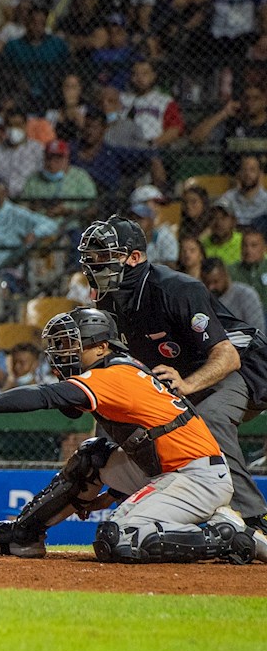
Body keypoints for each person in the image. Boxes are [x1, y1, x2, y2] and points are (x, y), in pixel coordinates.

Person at [0, 308, 267, 564]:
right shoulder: (116, 369)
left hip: (197, 476)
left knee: (117, 539)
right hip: (166, 468)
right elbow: (144, 440)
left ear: (101, 347)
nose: (65, 353)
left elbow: (46, 396)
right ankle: (22, 536)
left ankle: (226, 535)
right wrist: (111, 492)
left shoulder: (114, 374)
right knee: (93, 456)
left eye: (74, 345)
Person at [79, 215, 267, 532]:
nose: (94, 266)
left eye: (104, 258)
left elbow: (226, 355)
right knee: (146, 422)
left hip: (242, 365)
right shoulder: (109, 302)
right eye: (91, 259)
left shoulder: (176, 288)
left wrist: (186, 383)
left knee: (208, 419)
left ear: (134, 257)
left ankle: (255, 518)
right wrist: (115, 490)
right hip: (184, 375)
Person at [20, 139, 98, 220]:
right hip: (38, 225)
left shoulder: (80, 177)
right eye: (49, 158)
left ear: (67, 159)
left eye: (58, 159)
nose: (52, 163)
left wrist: (67, 211)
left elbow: (92, 210)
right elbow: (22, 208)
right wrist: (34, 208)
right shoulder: (34, 179)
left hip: (69, 227)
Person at [119, 60, 184, 148]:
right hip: (121, 148)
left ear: (153, 76)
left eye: (145, 74)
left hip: (151, 149)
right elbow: (109, 121)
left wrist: (151, 144)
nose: (139, 78)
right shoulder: (121, 99)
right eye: (135, 74)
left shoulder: (164, 100)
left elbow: (175, 129)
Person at [0, 108, 44, 198]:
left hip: (28, 197)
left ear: (26, 125)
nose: (14, 129)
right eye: (11, 126)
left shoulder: (37, 149)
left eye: (18, 125)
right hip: (2, 197)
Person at [200, 257, 266, 331]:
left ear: (225, 275)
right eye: (207, 283)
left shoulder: (246, 295)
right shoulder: (202, 299)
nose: (211, 287)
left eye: (215, 282)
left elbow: (258, 332)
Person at [221, 155, 267, 227]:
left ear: (260, 174)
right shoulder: (228, 197)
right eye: (244, 170)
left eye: (252, 170)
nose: (247, 174)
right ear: (239, 174)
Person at [230, 229, 267, 314]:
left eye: (254, 245)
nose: (248, 250)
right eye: (244, 245)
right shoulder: (231, 270)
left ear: (264, 248)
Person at [202, 201, 243, 266]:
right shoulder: (203, 245)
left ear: (233, 221)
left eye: (224, 217)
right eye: (214, 217)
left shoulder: (244, 242)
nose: (219, 223)